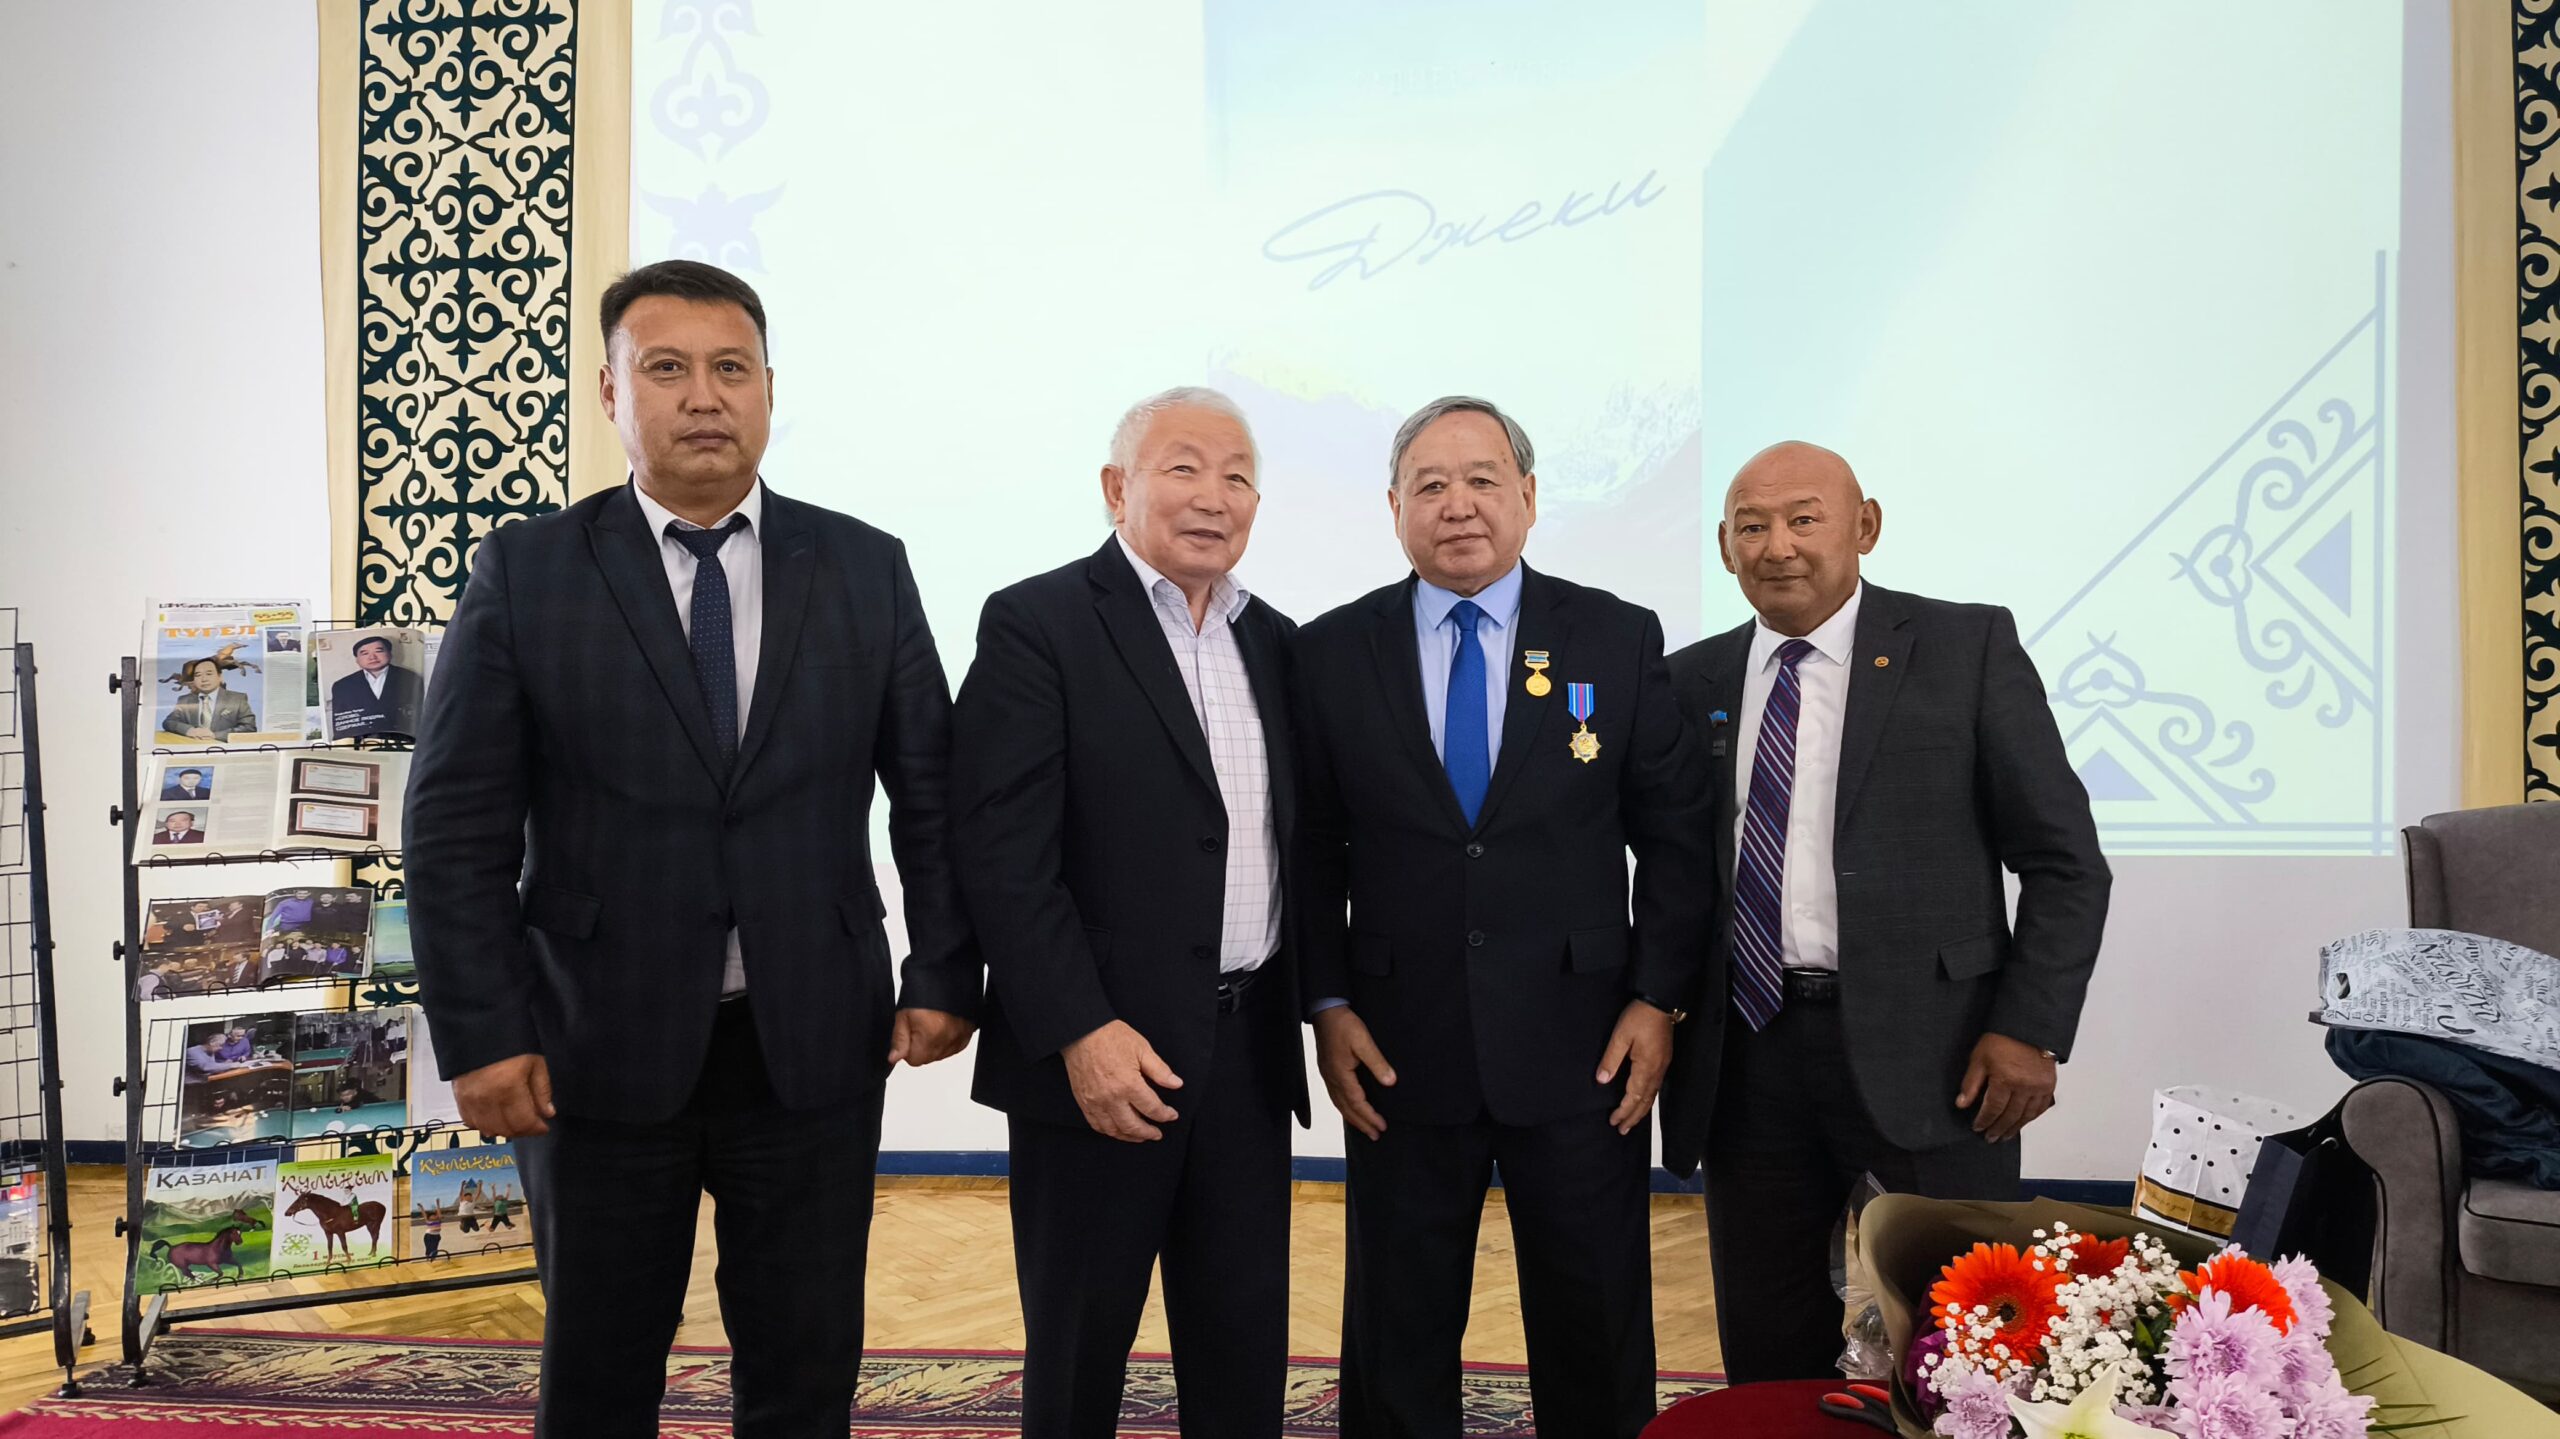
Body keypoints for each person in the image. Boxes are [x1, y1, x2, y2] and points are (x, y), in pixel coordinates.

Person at [405, 258, 980, 1439]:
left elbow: (930, 793)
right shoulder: (530, 571)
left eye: (731, 368)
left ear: (770, 387)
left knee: (805, 1363)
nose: (704, 395)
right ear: (612, 392)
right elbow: (456, 825)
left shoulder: (863, 565)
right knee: (600, 1369)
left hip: (812, 1039)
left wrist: (942, 970)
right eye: (666, 368)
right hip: (594, 1044)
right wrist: (484, 1030)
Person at [1294, 396, 1715, 1438]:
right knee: (1397, 1325)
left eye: (1482, 479)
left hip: (1584, 1045)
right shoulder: (1331, 651)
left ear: (1527, 495)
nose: (1458, 505)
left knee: (1593, 1320)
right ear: (1394, 506)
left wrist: (1657, 998)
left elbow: (1676, 838)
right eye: (1430, 485)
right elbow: (1307, 848)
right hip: (1396, 1046)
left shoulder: (1614, 635)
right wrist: (1327, 1002)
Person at [1660, 441, 2110, 1382]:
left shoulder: (1964, 649)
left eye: (1804, 518)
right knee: (1769, 1343)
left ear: (1865, 526)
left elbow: (2064, 862)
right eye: (1752, 526)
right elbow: (1670, 871)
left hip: (1942, 1058)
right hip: (1748, 1055)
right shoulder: (1689, 680)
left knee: (1968, 1345)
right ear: (1724, 546)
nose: (1778, 545)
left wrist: (2030, 1028)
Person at [954, 387, 1307, 1439]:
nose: (1214, 495)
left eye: (1238, 475)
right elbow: (1002, 855)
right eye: (1184, 467)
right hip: (1099, 1062)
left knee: (1243, 1355)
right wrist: (1080, 1030)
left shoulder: (1277, 642)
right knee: (1078, 1358)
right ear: (1118, 487)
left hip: (1246, 1056)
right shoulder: (1038, 623)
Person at [329, 634, 426, 737]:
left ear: (390, 654)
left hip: (403, 741)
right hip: (361, 743)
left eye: (378, 651)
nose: (372, 657)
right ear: (357, 660)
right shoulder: (342, 685)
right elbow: (341, 725)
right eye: (365, 653)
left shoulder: (410, 677)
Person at [160, 658, 258, 740]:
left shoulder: (238, 699)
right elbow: (168, 722)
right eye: (198, 675)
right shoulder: (184, 700)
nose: (204, 679)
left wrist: (215, 735)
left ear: (220, 677)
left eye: (209, 674)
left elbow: (249, 727)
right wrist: (189, 730)